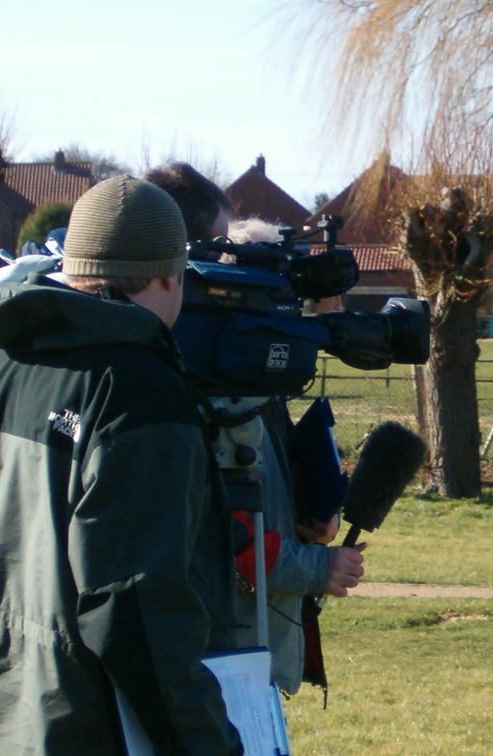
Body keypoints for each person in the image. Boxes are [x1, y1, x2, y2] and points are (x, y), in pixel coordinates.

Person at [0, 177, 242, 756]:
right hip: (97, 726)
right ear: (168, 276)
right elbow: (136, 607)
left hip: (6, 714)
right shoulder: (137, 393)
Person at [142, 162, 364, 696]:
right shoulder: (192, 385)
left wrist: (309, 514)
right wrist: (316, 567)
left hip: (239, 644)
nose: (230, 262)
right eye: (218, 247)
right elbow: (221, 537)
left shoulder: (234, 371)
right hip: (220, 660)